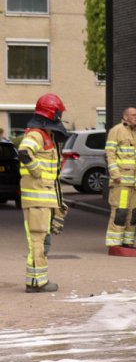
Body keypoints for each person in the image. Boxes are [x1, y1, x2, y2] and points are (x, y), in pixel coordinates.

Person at [18, 93, 68, 293]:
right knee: (38, 241)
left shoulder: (46, 135)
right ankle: (37, 283)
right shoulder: (37, 135)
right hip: (37, 200)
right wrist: (37, 172)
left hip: (43, 200)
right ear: (52, 113)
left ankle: (36, 281)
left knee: (42, 241)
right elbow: (24, 152)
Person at [105, 107, 136, 249]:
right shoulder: (116, 131)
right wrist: (115, 174)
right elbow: (110, 153)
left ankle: (128, 242)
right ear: (125, 116)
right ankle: (114, 243)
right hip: (121, 181)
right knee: (120, 212)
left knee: (133, 214)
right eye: (133, 115)